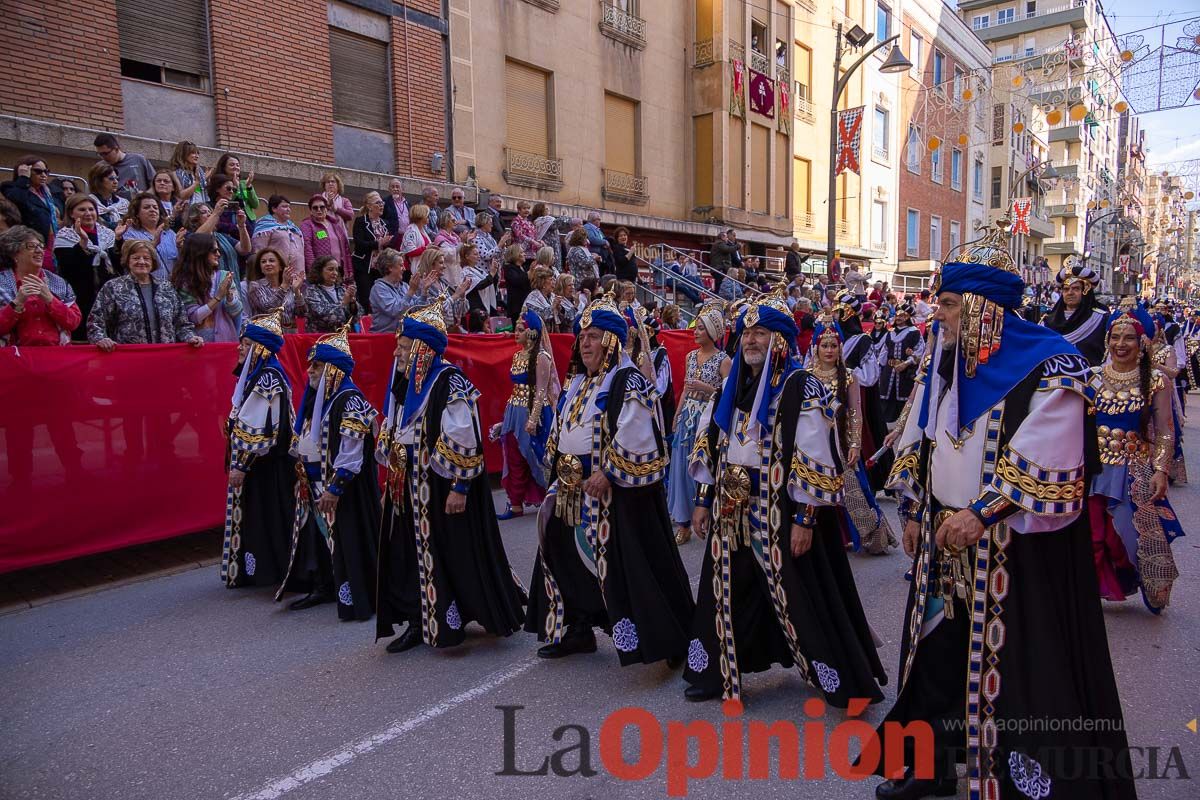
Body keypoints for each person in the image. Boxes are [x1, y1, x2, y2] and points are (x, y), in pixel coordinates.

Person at [870, 223, 1135, 800]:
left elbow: (1052, 453)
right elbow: (922, 434)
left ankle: (1022, 784)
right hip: (948, 541)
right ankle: (931, 765)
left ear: (981, 307)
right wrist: (916, 508)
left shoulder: (1052, 365)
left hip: (1009, 550)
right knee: (936, 652)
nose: (936, 315)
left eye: (946, 304)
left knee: (1015, 669)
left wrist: (983, 514)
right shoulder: (945, 361)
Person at [681, 286, 887, 705]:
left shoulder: (800, 386)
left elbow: (815, 456)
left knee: (802, 595)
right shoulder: (731, 385)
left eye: (761, 333)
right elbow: (712, 440)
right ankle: (713, 673)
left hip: (780, 510)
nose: (752, 340)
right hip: (730, 509)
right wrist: (703, 498)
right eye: (746, 333)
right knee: (726, 589)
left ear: (781, 339)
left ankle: (838, 679)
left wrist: (805, 520)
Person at [524, 293, 695, 665]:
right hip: (571, 485)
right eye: (582, 336)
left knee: (630, 566)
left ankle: (668, 637)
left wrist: (608, 471)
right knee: (558, 547)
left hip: (612, 489)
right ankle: (578, 627)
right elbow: (562, 427)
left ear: (613, 340)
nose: (585, 343)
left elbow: (638, 430)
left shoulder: (626, 380)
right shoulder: (578, 382)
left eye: (594, 335)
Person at [374, 298, 527, 651]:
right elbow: (395, 429)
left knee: (449, 553)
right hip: (407, 485)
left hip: (438, 487)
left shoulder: (449, 382)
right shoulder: (403, 383)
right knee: (408, 552)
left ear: (422, 349)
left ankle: (454, 617)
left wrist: (459, 487)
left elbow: (464, 437)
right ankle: (417, 620)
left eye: (403, 346)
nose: (396, 352)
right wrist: (391, 482)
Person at [278, 325, 381, 620]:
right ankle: (325, 585)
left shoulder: (349, 400)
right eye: (311, 364)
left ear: (334, 369)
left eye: (318, 365)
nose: (310, 370)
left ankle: (360, 594)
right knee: (319, 539)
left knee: (349, 539)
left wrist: (335, 488)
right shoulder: (315, 400)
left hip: (342, 489)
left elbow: (352, 451)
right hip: (314, 483)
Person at [1090, 307, 1183, 615]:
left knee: (1127, 540)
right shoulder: (1091, 377)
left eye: (1129, 337)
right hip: (1092, 471)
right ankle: (1092, 591)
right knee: (1094, 536)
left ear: (1142, 342)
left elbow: (1165, 431)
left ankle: (1142, 582)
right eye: (1115, 336)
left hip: (1133, 472)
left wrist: (1160, 470)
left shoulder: (1155, 380)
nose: (1121, 343)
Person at [806, 320, 897, 556]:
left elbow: (856, 412)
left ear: (840, 347)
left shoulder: (849, 376)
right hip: (814, 441)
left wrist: (855, 445)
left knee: (852, 490)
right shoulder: (805, 377)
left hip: (842, 442)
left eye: (833, 345)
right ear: (815, 347)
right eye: (824, 345)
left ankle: (865, 535)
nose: (829, 350)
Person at [221, 310, 295, 589]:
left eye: (246, 343)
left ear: (260, 348)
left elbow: (259, 431)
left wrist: (241, 465)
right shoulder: (258, 376)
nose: (240, 347)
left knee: (272, 517)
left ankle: (275, 571)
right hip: (261, 464)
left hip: (268, 464)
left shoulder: (267, 379)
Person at [668, 302, 729, 544]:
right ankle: (682, 523)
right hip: (687, 417)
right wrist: (677, 414)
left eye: (701, 329)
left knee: (704, 466)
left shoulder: (724, 360)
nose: (695, 332)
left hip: (707, 419)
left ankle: (708, 515)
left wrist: (707, 389)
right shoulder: (690, 357)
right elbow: (685, 388)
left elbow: (727, 394)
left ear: (713, 333)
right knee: (682, 467)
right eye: (695, 328)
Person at [491, 310, 560, 518]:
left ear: (532, 333)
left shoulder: (541, 357)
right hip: (515, 409)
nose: (516, 333)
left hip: (534, 412)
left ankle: (552, 497)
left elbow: (540, 391)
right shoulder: (518, 355)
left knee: (537, 455)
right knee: (513, 454)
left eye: (521, 330)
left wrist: (532, 419)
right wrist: (505, 420)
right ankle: (515, 504)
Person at [87, 240, 202, 349]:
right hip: (128, 358)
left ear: (153, 262)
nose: (141, 262)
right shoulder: (113, 287)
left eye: (146, 258)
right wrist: (101, 339)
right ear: (128, 261)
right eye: (136, 258)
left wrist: (190, 337)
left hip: (164, 357)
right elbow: (95, 321)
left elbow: (181, 323)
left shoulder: (166, 287)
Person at [0, 226, 81, 346]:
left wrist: (50, 300)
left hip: (56, 357)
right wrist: (17, 303)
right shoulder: (2, 283)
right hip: (15, 358)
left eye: (40, 246)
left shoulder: (58, 282)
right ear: (14, 254)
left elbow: (73, 322)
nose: (39, 251)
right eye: (31, 246)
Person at [54, 194, 119, 338]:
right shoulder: (64, 236)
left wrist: (119, 240)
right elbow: (69, 269)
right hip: (81, 298)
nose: (88, 213)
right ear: (71, 213)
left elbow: (117, 265)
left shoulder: (108, 235)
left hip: (106, 296)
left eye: (91, 209)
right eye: (82, 210)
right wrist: (82, 243)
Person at [172, 232, 243, 343]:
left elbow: (237, 312)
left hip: (226, 342)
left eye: (219, 250)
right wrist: (218, 298)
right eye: (214, 251)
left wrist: (229, 296)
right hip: (198, 345)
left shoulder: (225, 276)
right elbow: (194, 318)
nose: (219, 254)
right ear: (200, 252)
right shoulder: (185, 282)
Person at [1040, 257, 1108, 366]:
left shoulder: (1101, 319)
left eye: (1076, 289)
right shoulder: (1047, 321)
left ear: (1085, 291)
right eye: (1066, 289)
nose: (1070, 293)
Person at [2, 157, 62, 262]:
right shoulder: (11, 187)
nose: (43, 175)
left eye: (46, 171)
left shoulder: (49, 193)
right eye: (38, 171)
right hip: (27, 244)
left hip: (50, 242)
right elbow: (17, 200)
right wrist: (23, 179)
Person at [369, 248, 439, 334]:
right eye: (401, 265)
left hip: (404, 335)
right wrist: (411, 291)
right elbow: (396, 311)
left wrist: (424, 292)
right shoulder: (378, 289)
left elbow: (417, 310)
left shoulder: (404, 286)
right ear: (390, 267)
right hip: (384, 337)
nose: (404, 269)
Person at [876, 302, 925, 424]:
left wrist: (906, 363)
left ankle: (902, 425)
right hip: (889, 370)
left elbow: (920, 352)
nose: (898, 318)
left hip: (905, 372)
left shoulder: (914, 332)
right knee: (886, 397)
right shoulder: (890, 332)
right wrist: (879, 367)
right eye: (897, 315)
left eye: (902, 315)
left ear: (908, 317)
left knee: (903, 398)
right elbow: (884, 351)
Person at [117, 192, 175, 280]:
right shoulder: (129, 233)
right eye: (146, 207)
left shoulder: (170, 233)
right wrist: (154, 243)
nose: (152, 210)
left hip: (171, 287)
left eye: (155, 207)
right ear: (137, 213)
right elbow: (132, 258)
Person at [246, 248, 306, 332]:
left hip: (290, 334)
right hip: (266, 334)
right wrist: (284, 286)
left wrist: (297, 291)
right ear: (261, 268)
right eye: (263, 262)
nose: (267, 264)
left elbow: (302, 314)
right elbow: (268, 308)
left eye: (271, 260)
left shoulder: (290, 286)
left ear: (281, 266)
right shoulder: (255, 286)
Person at [352, 191, 391, 311]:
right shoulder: (360, 221)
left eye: (382, 202)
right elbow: (359, 243)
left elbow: (386, 245)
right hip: (364, 265)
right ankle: (365, 323)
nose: (381, 205)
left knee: (379, 298)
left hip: (379, 267)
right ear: (369, 206)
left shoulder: (384, 223)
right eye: (378, 203)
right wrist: (378, 243)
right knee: (366, 298)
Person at [301, 194, 352, 282]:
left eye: (322, 207)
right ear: (311, 211)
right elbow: (307, 248)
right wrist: (314, 271)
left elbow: (346, 249)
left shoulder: (335, 225)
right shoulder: (307, 225)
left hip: (338, 271)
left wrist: (349, 271)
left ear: (327, 209)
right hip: (321, 272)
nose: (319, 210)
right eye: (315, 208)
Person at [251, 195, 305, 276]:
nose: (288, 210)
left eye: (289, 207)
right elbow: (258, 251)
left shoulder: (294, 228)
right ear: (274, 209)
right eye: (284, 206)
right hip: (276, 276)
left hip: (297, 275)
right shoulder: (264, 227)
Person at [305, 255, 357, 334]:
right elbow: (323, 316)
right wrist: (343, 304)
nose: (335, 273)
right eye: (330, 269)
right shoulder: (311, 291)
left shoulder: (342, 289)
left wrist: (352, 303)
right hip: (321, 340)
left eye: (336, 270)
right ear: (319, 271)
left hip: (343, 340)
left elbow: (356, 318)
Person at [211, 153, 260, 222]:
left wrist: (249, 186)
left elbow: (255, 205)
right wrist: (235, 188)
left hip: (248, 219)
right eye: (232, 165)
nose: (236, 167)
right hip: (230, 218)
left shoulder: (244, 183)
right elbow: (227, 201)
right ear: (224, 167)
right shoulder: (219, 183)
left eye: (238, 165)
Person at [87, 162, 129, 230]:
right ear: (98, 180)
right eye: (111, 178)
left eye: (117, 178)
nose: (116, 182)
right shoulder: (89, 202)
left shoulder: (124, 203)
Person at [462, 242, 499, 317]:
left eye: (478, 254)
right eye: (475, 254)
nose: (478, 256)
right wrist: (492, 274)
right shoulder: (465, 271)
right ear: (467, 256)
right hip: (476, 307)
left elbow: (490, 281)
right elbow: (479, 285)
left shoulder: (479, 269)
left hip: (485, 303)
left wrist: (495, 271)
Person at [169, 140, 208, 210]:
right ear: (183, 154)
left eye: (197, 153)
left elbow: (199, 191)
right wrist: (196, 183)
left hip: (201, 210)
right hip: (186, 212)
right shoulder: (176, 173)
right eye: (193, 153)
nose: (197, 156)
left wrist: (205, 179)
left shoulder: (199, 171)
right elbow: (182, 195)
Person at [400, 203, 432, 276]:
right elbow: (409, 251)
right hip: (410, 270)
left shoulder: (422, 230)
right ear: (421, 216)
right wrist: (427, 248)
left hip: (422, 267)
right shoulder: (411, 230)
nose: (428, 217)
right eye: (427, 215)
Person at [502, 243, 531, 323]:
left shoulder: (523, 268)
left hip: (525, 305)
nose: (524, 254)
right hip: (516, 307)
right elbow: (517, 281)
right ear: (515, 255)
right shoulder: (509, 268)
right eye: (522, 252)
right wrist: (528, 274)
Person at [532, 203, 560, 270]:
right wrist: (565, 216)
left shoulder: (538, 221)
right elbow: (560, 223)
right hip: (548, 251)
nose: (549, 210)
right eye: (546, 208)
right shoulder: (546, 221)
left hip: (547, 251)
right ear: (540, 210)